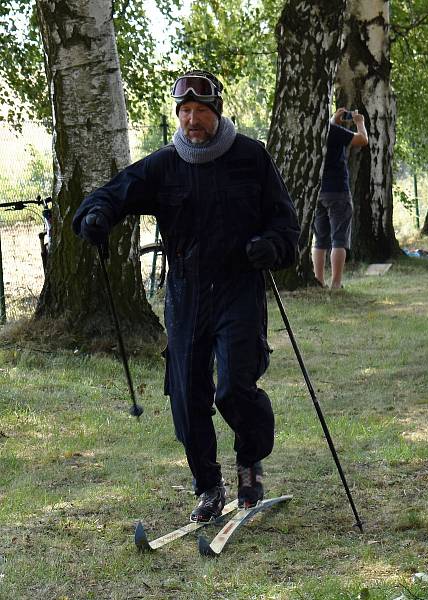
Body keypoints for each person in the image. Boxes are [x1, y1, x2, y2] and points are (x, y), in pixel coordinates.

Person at [73, 70, 301, 522]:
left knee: (236, 385)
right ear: (178, 115)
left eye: (201, 111)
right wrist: (96, 216)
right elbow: (111, 195)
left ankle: (249, 464)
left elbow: (286, 224)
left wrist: (271, 246)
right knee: (185, 395)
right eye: (186, 111)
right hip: (185, 293)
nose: (193, 119)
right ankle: (208, 487)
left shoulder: (251, 157)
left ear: (216, 112)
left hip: (238, 288)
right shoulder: (163, 165)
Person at [312, 107, 369, 289]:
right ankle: (336, 283)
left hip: (318, 191)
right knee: (339, 239)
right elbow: (362, 140)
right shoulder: (333, 131)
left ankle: (318, 280)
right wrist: (360, 122)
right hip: (337, 190)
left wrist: (333, 120)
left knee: (319, 240)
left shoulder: (311, 130)